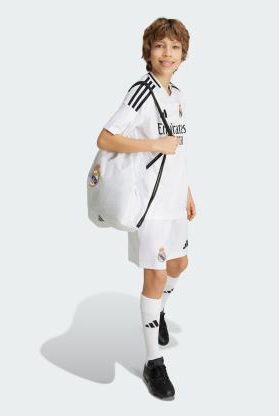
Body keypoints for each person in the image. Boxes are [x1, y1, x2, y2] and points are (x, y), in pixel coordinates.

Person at [96, 17, 196, 400]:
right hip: (150, 205)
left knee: (179, 266)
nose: (167, 53)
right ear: (149, 52)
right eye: (160, 46)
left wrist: (187, 191)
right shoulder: (141, 92)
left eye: (174, 47)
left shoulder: (178, 95)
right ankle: (154, 362)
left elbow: (177, 151)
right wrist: (153, 144)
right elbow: (106, 138)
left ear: (183, 54)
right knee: (154, 278)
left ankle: (159, 313)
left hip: (175, 201)